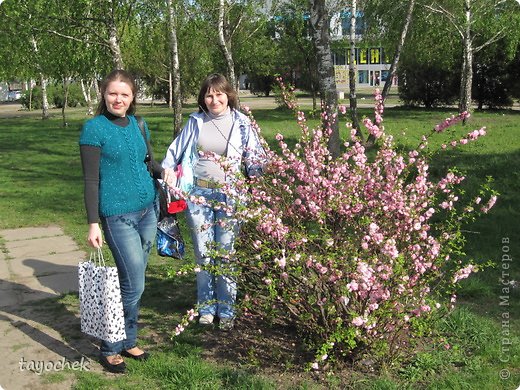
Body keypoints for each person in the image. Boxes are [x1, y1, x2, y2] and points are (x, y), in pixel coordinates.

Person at [161, 73, 265, 331]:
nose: (214, 99)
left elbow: (255, 158)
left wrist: (262, 179)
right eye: (209, 94)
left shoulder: (242, 123)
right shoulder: (196, 121)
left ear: (228, 95)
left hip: (231, 195)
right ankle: (206, 307)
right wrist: (167, 171)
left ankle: (227, 308)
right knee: (204, 253)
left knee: (226, 253)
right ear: (203, 98)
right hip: (200, 195)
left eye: (219, 94)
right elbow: (175, 151)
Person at [79, 69, 165, 373]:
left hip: (148, 211)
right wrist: (93, 223)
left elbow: (145, 162)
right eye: (113, 93)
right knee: (133, 284)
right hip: (117, 217)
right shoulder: (94, 129)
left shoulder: (139, 124)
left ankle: (129, 340)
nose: (118, 99)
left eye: (124, 94)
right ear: (104, 94)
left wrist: (167, 170)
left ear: (132, 98)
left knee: (135, 282)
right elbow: (91, 181)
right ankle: (111, 346)